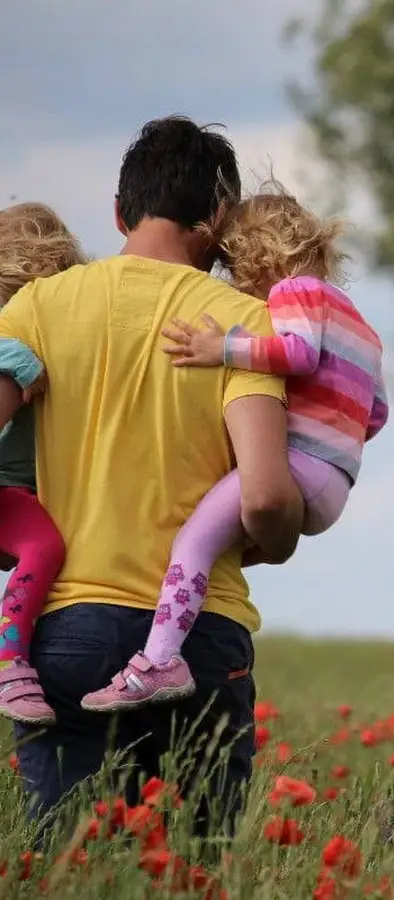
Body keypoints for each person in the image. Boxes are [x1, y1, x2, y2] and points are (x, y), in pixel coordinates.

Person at [0, 116, 305, 837]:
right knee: (195, 868)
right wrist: (279, 536)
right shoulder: (244, 326)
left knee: (67, 869)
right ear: (220, 219)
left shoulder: (39, 306)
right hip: (199, 637)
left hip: (68, 629)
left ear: (119, 212)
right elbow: (264, 495)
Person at [81, 186, 388, 711]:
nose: (233, 282)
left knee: (193, 542)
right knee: (217, 546)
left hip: (299, 466)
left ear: (257, 255)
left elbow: (296, 353)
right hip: (336, 481)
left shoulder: (294, 292)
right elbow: (376, 414)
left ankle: (159, 661)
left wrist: (219, 348)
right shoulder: (361, 325)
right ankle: (177, 631)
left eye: (232, 266)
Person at [0, 204, 83, 724]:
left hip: (21, 490)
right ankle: (9, 660)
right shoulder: (16, 349)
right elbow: (23, 366)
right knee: (44, 547)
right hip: (6, 488)